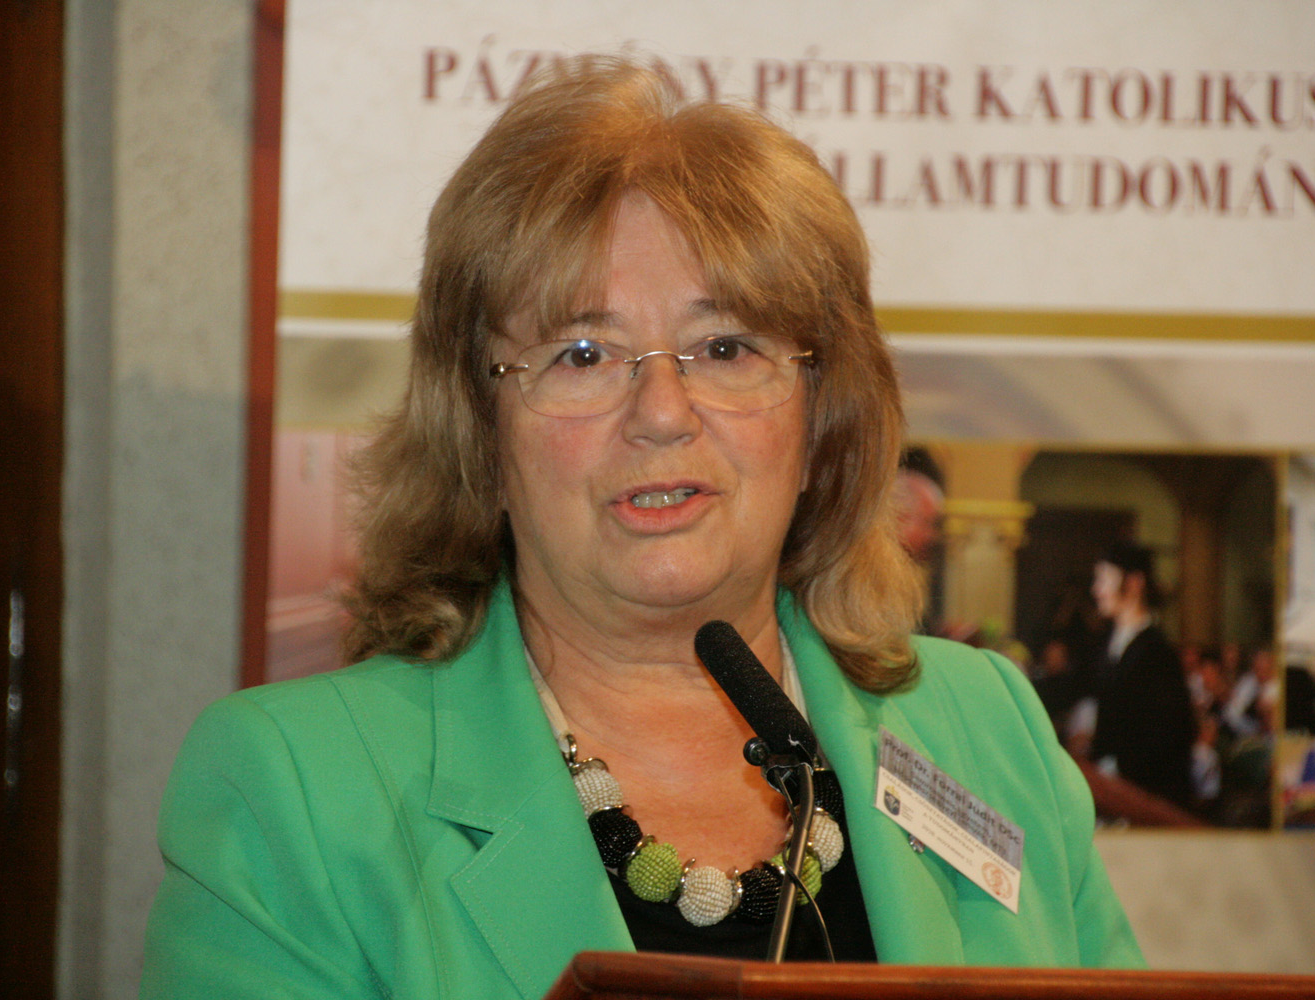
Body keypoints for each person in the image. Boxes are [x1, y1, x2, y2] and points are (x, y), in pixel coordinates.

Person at [141, 57, 1142, 998]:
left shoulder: (987, 727)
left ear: (821, 419)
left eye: (726, 346)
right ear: (480, 429)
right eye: (581, 354)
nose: (662, 412)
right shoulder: (298, 789)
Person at [1088, 541, 1196, 809]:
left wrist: (1115, 768)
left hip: (1144, 798)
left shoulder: (1157, 652)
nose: (1096, 590)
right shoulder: (1106, 644)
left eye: (1105, 579)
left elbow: (1170, 735)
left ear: (1135, 583)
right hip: (1109, 790)